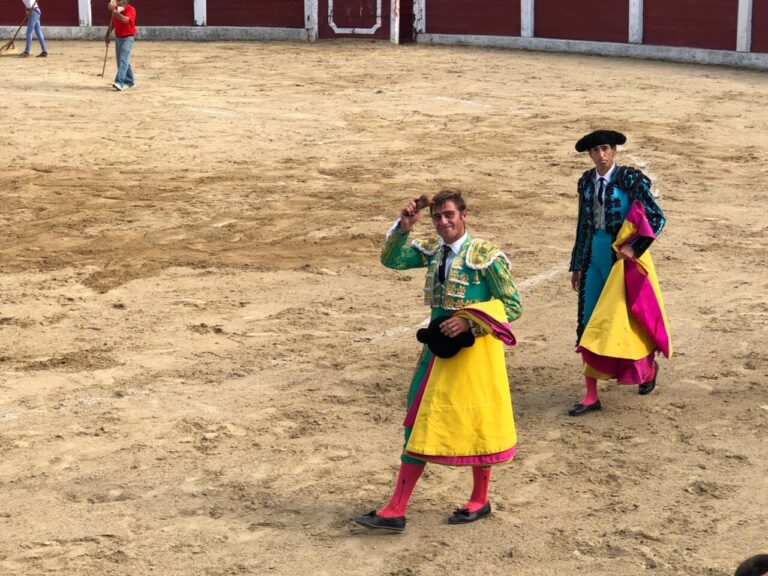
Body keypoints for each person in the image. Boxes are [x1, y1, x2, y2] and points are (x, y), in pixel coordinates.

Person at [355, 189, 522, 532]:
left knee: (478, 421)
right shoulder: (433, 249)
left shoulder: (486, 255)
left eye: (449, 215)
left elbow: (512, 305)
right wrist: (403, 227)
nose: (443, 222)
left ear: (464, 215)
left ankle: (479, 499)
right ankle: (396, 508)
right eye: (437, 217)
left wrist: (470, 322)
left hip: (474, 355)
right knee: (416, 420)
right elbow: (391, 260)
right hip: (434, 350)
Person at [568, 129, 672, 416]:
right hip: (594, 257)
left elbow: (656, 217)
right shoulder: (586, 182)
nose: (601, 155)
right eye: (595, 151)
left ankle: (647, 369)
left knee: (629, 320)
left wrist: (633, 248)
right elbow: (583, 225)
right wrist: (577, 264)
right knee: (588, 322)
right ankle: (590, 394)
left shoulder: (630, 179)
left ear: (614, 150)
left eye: (605, 149)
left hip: (623, 261)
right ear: (590, 155)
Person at [108, 0, 136, 91]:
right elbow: (112, 24)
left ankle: (119, 82)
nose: (120, 4)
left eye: (123, 2)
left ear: (126, 3)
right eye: (119, 2)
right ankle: (130, 81)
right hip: (118, 38)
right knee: (122, 61)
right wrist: (107, 36)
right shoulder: (116, 9)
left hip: (128, 38)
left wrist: (114, 11)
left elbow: (125, 20)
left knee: (123, 60)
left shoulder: (131, 10)